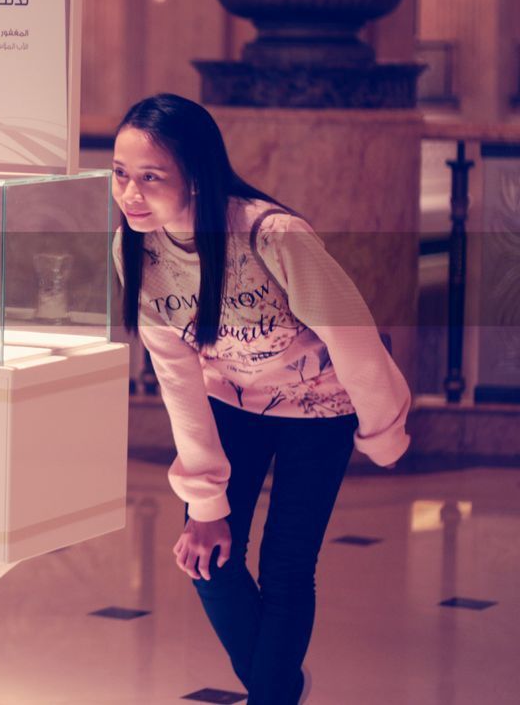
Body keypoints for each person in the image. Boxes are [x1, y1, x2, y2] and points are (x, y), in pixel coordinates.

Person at [109, 94, 411, 705]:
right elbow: (176, 377)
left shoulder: (272, 235)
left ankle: (271, 695)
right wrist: (204, 501)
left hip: (320, 408)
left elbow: (350, 336)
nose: (130, 193)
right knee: (205, 555)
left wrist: (382, 428)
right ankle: (279, 690)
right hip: (230, 405)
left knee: (286, 566)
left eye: (149, 177)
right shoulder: (135, 251)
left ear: (195, 174)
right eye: (120, 174)